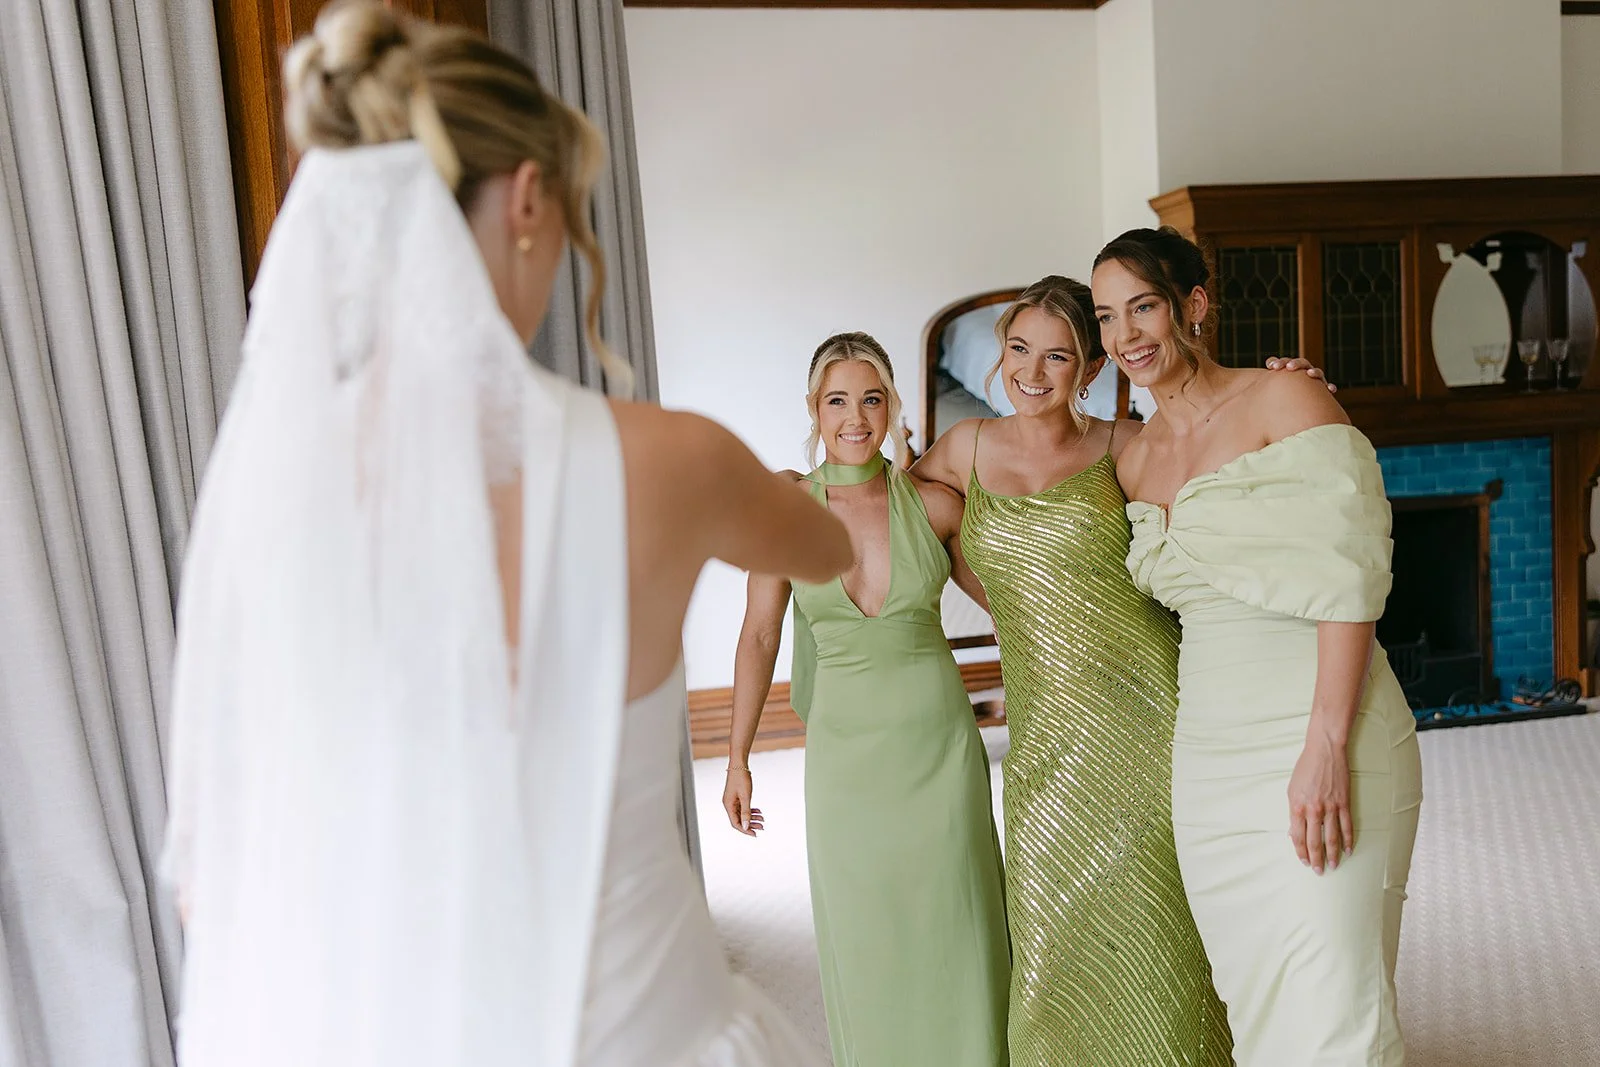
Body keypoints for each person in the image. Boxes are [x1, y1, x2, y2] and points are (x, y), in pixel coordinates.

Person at [159, 5, 849, 1065]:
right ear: (528, 197)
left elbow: (226, 868)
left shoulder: (273, 492)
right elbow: (826, 549)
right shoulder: (673, 459)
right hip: (649, 1028)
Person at [1095, 227, 1423, 1067]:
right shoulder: (1132, 463)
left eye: (1143, 307)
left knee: (1336, 997)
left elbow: (1352, 577)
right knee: (1259, 999)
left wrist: (1325, 744)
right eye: (1106, 317)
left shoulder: (1288, 402)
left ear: (1192, 307)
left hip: (1325, 723)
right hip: (1210, 758)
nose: (1126, 335)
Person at [913, 275, 1233, 1064]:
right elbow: (902, 516)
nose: (1032, 370)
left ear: (1089, 369)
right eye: (1019, 348)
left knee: (1157, 922)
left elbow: (1227, 478)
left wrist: (1291, 388)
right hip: (1046, 734)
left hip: (1145, 713)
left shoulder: (1126, 446)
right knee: (1052, 928)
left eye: (1057, 356)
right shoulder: (965, 449)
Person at [722, 333, 1010, 1066]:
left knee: (959, 925)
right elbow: (757, 636)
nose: (856, 416)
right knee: (865, 931)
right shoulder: (784, 510)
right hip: (847, 760)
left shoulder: (936, 505)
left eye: (872, 398)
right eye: (839, 400)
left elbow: (1013, 610)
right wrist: (737, 758)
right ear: (814, 409)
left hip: (938, 749)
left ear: (893, 406)